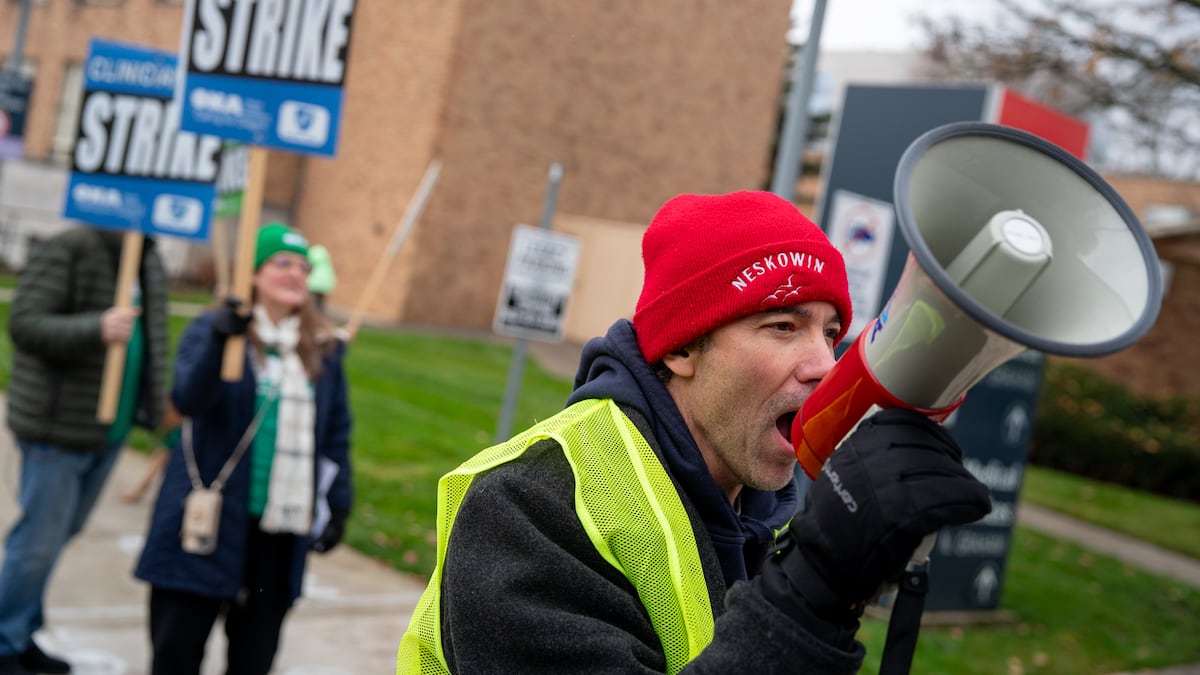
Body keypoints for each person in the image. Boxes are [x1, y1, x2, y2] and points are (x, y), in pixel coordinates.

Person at [397, 191, 992, 673]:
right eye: (784, 325)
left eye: (830, 333)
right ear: (682, 348)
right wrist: (816, 588)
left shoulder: (764, 515)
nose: (825, 365)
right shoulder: (533, 500)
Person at [134, 222, 354, 675]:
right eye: (282, 263)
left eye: (303, 265)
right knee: (177, 652)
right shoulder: (214, 331)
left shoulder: (322, 351)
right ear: (252, 274)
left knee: (254, 657)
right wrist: (220, 340)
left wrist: (338, 502)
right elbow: (189, 400)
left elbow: (335, 433)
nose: (296, 273)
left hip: (277, 531)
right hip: (209, 523)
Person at [0, 226, 169, 675]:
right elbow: (25, 322)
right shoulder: (70, 247)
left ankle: (21, 631)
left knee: (60, 537)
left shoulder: (147, 257)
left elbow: (153, 339)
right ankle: (2, 643)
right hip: (57, 427)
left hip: (107, 431)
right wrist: (95, 327)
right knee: (37, 543)